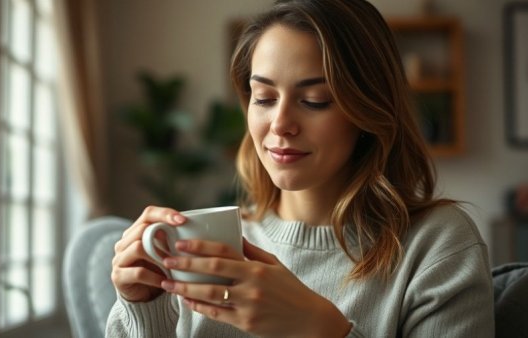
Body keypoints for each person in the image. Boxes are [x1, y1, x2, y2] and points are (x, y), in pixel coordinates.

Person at [106, 0, 495, 337]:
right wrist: (143, 307)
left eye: (315, 100)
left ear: (368, 111)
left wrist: (319, 328)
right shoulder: (214, 242)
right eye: (264, 97)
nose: (280, 124)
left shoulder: (437, 245)